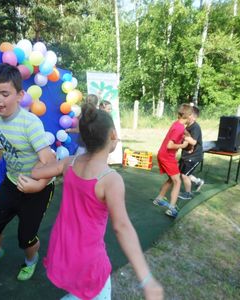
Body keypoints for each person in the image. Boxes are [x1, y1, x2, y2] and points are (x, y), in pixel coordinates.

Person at [31, 103, 164, 300]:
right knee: (92, 293)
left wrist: (45, 156)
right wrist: (146, 279)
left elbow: (36, 172)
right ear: (112, 135)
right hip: (87, 259)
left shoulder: (69, 163)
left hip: (62, 247)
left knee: (77, 291)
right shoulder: (110, 180)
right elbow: (122, 227)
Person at [0, 63, 55, 281]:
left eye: (4, 94)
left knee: (26, 238)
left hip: (39, 187)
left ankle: (31, 260)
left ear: (20, 95)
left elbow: (51, 162)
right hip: (12, 182)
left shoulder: (30, 124)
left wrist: (37, 185)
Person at [153, 103, 194, 218]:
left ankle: (159, 199)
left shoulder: (177, 123)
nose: (191, 117)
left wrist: (187, 138)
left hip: (163, 155)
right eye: (191, 115)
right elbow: (170, 145)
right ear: (188, 115)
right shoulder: (180, 128)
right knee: (177, 181)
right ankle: (171, 209)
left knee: (172, 179)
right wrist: (183, 145)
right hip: (167, 156)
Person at [178, 106, 205, 200]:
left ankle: (188, 194)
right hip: (187, 155)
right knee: (184, 172)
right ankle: (198, 181)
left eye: (188, 115)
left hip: (194, 157)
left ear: (193, 116)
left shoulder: (195, 127)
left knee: (184, 175)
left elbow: (193, 142)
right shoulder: (188, 126)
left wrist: (183, 136)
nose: (186, 116)